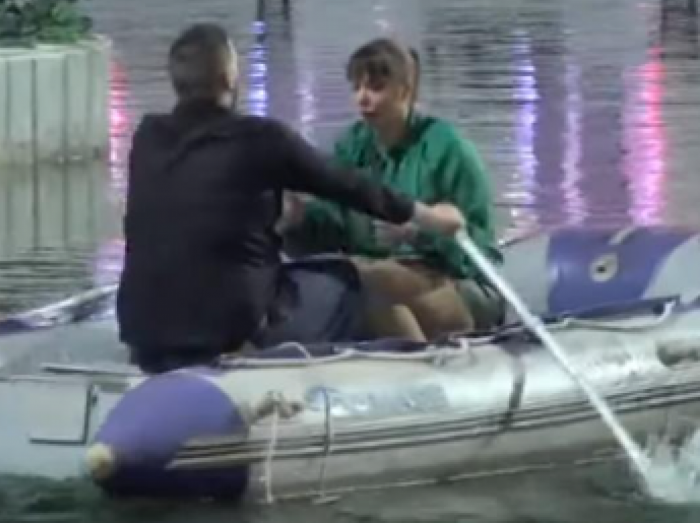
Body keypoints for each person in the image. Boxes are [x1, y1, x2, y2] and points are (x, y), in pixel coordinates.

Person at [116, 23, 466, 374]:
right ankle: (422, 378)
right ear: (229, 77)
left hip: (143, 330)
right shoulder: (261, 138)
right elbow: (350, 186)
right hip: (231, 329)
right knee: (361, 282)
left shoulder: (146, 138)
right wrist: (429, 217)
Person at [282, 37, 504, 341]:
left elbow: (482, 253)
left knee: (372, 282)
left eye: (375, 88)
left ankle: (421, 366)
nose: (362, 99)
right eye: (356, 87)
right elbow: (335, 225)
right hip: (381, 276)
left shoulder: (449, 150)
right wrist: (297, 218)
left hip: (459, 284)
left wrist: (420, 233)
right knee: (351, 280)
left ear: (406, 90)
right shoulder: (352, 148)